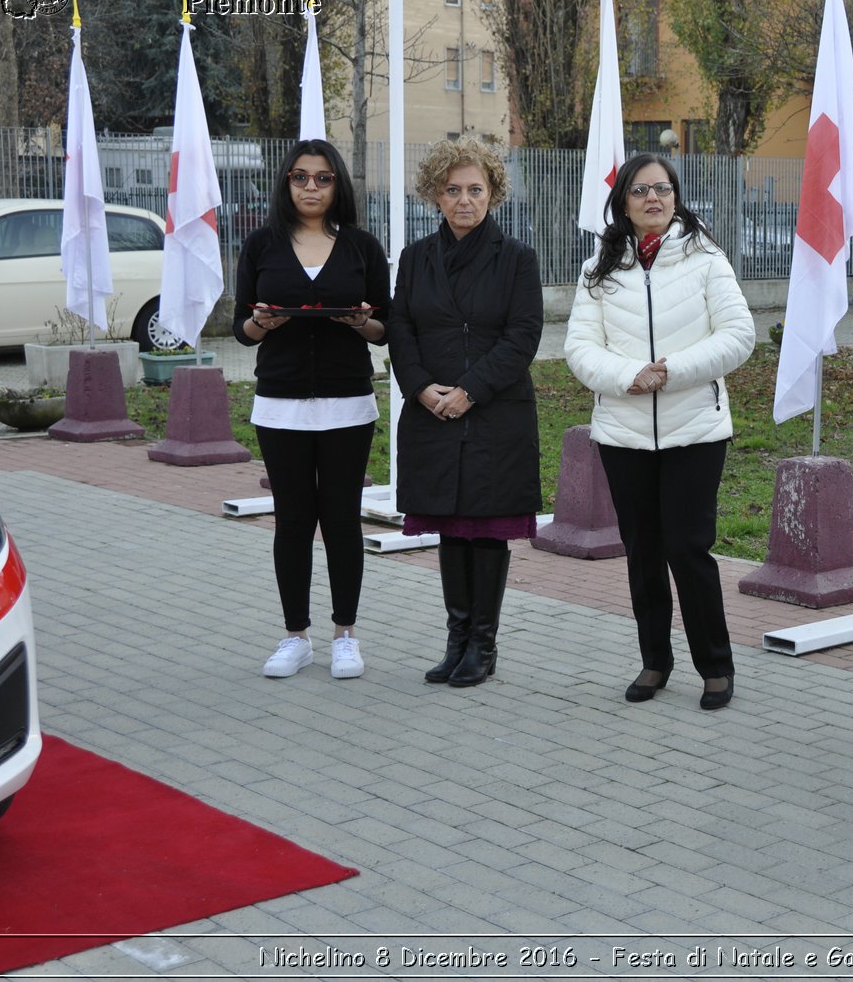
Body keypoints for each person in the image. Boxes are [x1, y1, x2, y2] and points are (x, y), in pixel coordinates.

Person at [564, 154, 755, 710]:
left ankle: (715, 667)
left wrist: (670, 371)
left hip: (695, 429)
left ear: (676, 197)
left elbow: (738, 335)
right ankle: (654, 661)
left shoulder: (706, 259)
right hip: (624, 433)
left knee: (687, 547)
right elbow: (579, 348)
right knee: (642, 549)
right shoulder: (598, 268)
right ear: (623, 200)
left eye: (663, 189)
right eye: (642, 190)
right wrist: (630, 376)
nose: (654, 198)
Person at [388, 138, 543, 688]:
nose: (464, 201)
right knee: (450, 529)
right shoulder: (414, 258)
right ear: (436, 195)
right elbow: (400, 330)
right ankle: (455, 640)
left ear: (493, 194)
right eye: (453, 190)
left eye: (475, 190)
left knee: (485, 530)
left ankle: (483, 645)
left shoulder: (518, 259)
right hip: (431, 411)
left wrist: (469, 390)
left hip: (494, 413)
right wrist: (421, 388)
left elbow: (523, 337)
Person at [234, 139, 390, 680]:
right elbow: (242, 328)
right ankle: (294, 636)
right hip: (279, 404)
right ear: (286, 183)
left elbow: (383, 325)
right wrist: (262, 323)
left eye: (322, 179)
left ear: (337, 185)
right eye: (300, 178)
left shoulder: (362, 248)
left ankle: (345, 634)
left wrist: (360, 322)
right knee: (294, 521)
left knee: (341, 519)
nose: (310, 188)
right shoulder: (261, 246)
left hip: (348, 402)